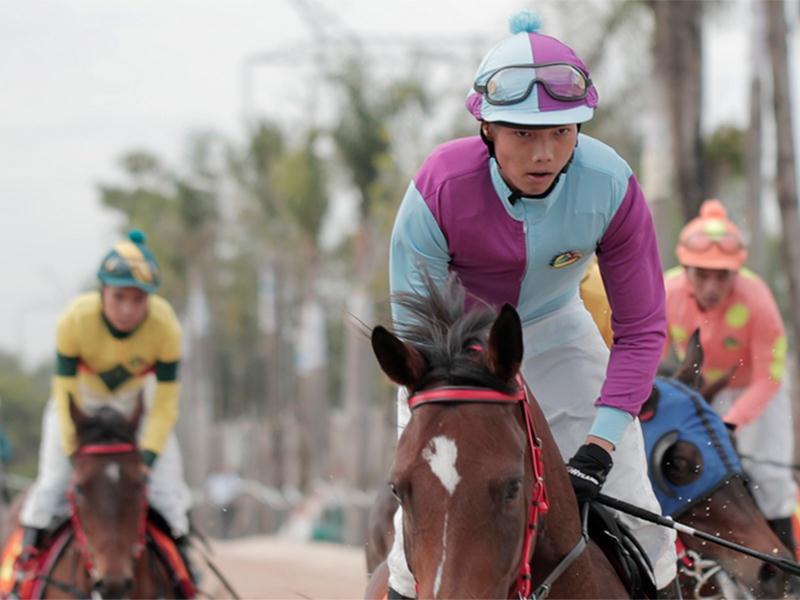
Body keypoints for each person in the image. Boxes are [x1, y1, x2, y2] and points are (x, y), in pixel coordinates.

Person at [387, 10, 678, 597]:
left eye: (562, 131)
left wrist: (598, 447)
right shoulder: (438, 186)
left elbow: (643, 329)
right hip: (454, 357)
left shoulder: (612, 184)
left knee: (648, 524)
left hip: (558, 332)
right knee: (407, 546)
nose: (544, 152)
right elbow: (419, 329)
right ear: (487, 130)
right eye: (523, 133)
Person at [18, 230, 194, 574]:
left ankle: (185, 570)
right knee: (53, 484)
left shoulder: (166, 327)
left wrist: (148, 457)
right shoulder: (74, 319)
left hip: (136, 407)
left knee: (168, 493)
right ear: (102, 292)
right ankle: (24, 566)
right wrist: (74, 451)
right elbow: (65, 392)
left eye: (138, 300)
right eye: (119, 297)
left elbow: (165, 403)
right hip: (80, 407)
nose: (128, 309)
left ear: (150, 300)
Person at [665, 199, 797, 555]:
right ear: (685, 268)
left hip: (759, 392)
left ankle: (789, 571)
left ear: (736, 272)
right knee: (712, 471)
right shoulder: (666, 291)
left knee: (768, 476)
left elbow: (769, 378)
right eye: (701, 274)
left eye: (722, 275)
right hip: (707, 391)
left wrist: (730, 423)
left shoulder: (757, 298)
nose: (711, 286)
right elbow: (653, 358)